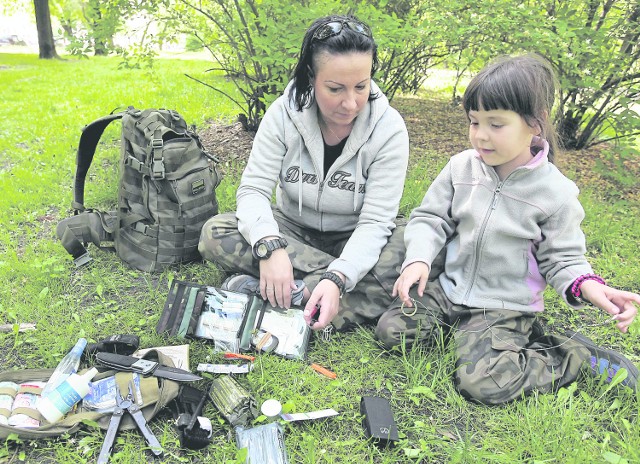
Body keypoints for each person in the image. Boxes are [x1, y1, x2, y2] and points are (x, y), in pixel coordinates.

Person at [377, 54, 640, 405]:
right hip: (449, 289)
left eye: (495, 124)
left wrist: (590, 287)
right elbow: (430, 217)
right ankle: (471, 337)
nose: (481, 136)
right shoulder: (461, 167)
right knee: (392, 332)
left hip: (502, 305)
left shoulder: (556, 194)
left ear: (536, 123)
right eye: (474, 122)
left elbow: (562, 260)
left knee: (483, 383)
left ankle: (572, 355)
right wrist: (420, 259)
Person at [198, 15, 410, 332]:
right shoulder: (283, 114)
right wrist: (269, 246)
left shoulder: (389, 129)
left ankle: (294, 293)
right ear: (311, 76)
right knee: (215, 233)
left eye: (361, 86)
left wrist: (339, 275)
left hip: (352, 236)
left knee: (410, 246)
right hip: (292, 230)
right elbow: (253, 191)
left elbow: (377, 222)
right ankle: (322, 298)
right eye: (335, 88)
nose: (350, 103)